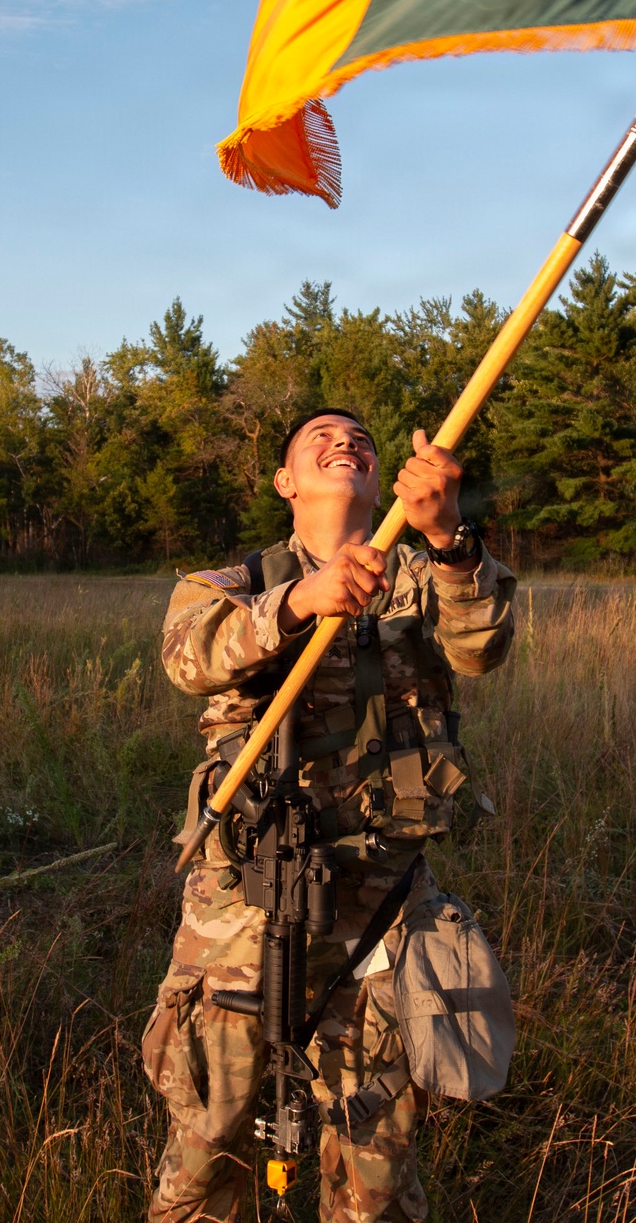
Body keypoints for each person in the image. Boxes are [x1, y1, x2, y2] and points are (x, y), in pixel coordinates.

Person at [143, 409, 516, 1223]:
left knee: (374, 1168)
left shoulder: (421, 578)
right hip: (246, 909)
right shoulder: (228, 586)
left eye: (360, 440)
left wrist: (450, 538)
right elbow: (189, 658)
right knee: (210, 1148)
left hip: (381, 906)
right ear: (285, 483)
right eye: (320, 437)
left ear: (382, 482)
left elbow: (481, 646)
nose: (344, 441)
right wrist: (301, 601)